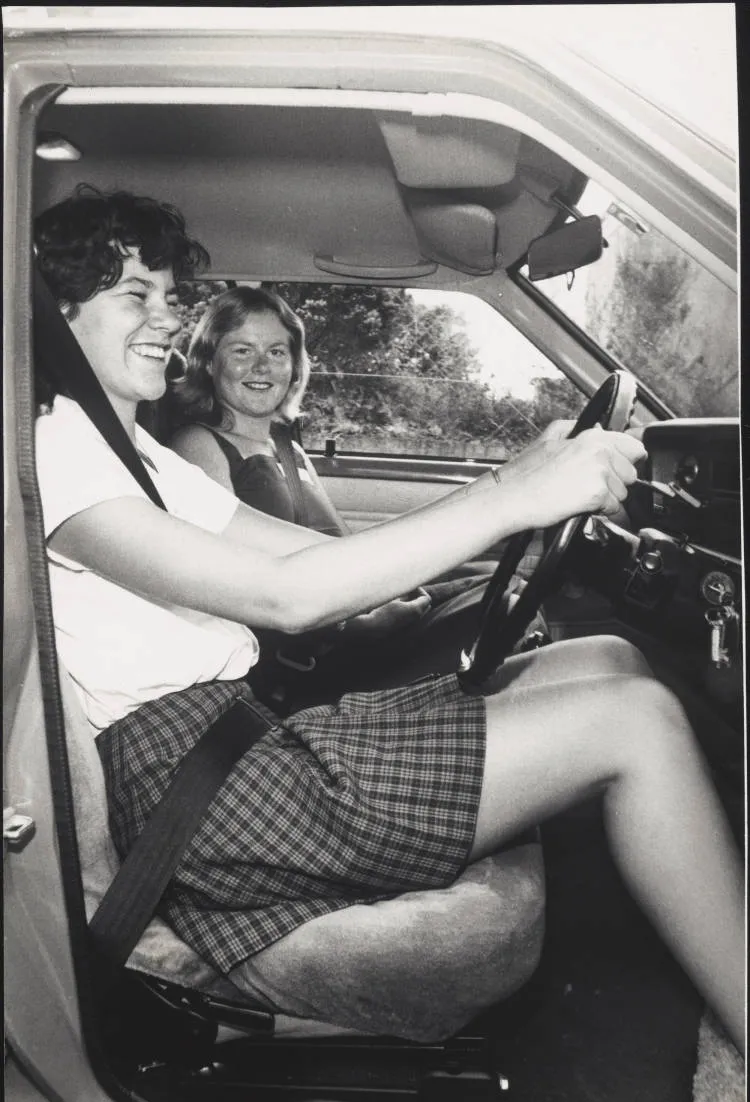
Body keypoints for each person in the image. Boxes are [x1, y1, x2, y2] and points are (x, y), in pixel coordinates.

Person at [33, 185, 745, 1057]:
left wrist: (514, 494)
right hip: (196, 794)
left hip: (240, 742)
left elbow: (294, 552)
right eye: (130, 294)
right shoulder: (49, 446)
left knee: (604, 659)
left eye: (169, 294)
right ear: (56, 311)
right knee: (636, 722)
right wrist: (507, 495)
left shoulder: (124, 446)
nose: (165, 316)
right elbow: (287, 599)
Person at [165, 285, 520, 706]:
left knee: (505, 583)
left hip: (348, 617)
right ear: (210, 361)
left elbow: (346, 547)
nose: (262, 365)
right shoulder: (198, 444)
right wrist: (357, 627)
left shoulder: (287, 448)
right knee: (506, 615)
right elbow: (229, 586)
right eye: (242, 350)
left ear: (294, 367)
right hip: (305, 662)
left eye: (277, 352)